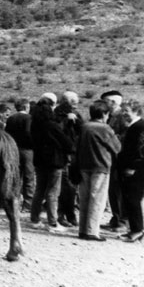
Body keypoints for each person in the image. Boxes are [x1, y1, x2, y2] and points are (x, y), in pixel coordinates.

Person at [75, 101, 121, 241]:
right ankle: (92, 231)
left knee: (84, 198)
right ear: (104, 114)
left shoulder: (84, 127)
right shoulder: (105, 128)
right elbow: (117, 148)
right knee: (97, 199)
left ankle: (82, 229)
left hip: (83, 166)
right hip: (100, 166)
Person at [30, 97, 74, 229]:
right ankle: (53, 222)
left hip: (39, 160)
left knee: (39, 190)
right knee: (53, 192)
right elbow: (67, 143)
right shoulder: (52, 125)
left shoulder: (34, 125)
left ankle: (35, 218)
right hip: (54, 161)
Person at [116, 100, 144, 243]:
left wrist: (133, 167)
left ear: (136, 111)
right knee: (129, 201)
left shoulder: (140, 127)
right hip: (131, 170)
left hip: (136, 172)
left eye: (127, 111)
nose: (124, 113)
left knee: (133, 201)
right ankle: (133, 229)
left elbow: (141, 150)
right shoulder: (133, 126)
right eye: (123, 110)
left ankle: (137, 230)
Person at [55, 91, 83, 227]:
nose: (76, 105)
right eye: (73, 103)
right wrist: (66, 120)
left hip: (74, 155)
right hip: (61, 155)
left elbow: (82, 129)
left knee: (71, 187)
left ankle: (70, 214)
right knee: (62, 187)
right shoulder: (57, 115)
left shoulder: (76, 114)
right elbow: (57, 132)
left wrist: (75, 120)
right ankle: (62, 215)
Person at [101, 90, 126, 231]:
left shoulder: (122, 117)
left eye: (106, 102)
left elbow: (124, 137)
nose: (104, 105)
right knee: (113, 190)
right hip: (111, 158)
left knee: (118, 191)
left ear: (114, 102)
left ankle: (122, 221)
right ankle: (116, 218)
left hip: (119, 158)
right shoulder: (111, 116)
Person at [5, 98, 35, 212]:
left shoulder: (11, 119)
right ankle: (27, 204)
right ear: (26, 107)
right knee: (29, 177)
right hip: (27, 150)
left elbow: (6, 134)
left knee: (15, 177)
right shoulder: (29, 118)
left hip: (13, 150)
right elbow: (29, 133)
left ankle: (13, 201)